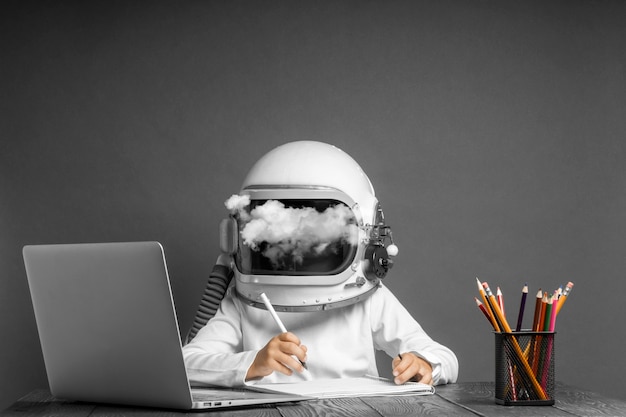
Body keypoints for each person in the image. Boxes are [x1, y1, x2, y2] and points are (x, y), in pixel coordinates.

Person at [183, 141, 458, 387]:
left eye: (317, 236)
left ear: (366, 235)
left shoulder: (368, 300)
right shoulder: (244, 301)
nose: (297, 251)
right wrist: (254, 363)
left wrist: (424, 364)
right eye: (280, 236)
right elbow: (186, 364)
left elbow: (445, 358)